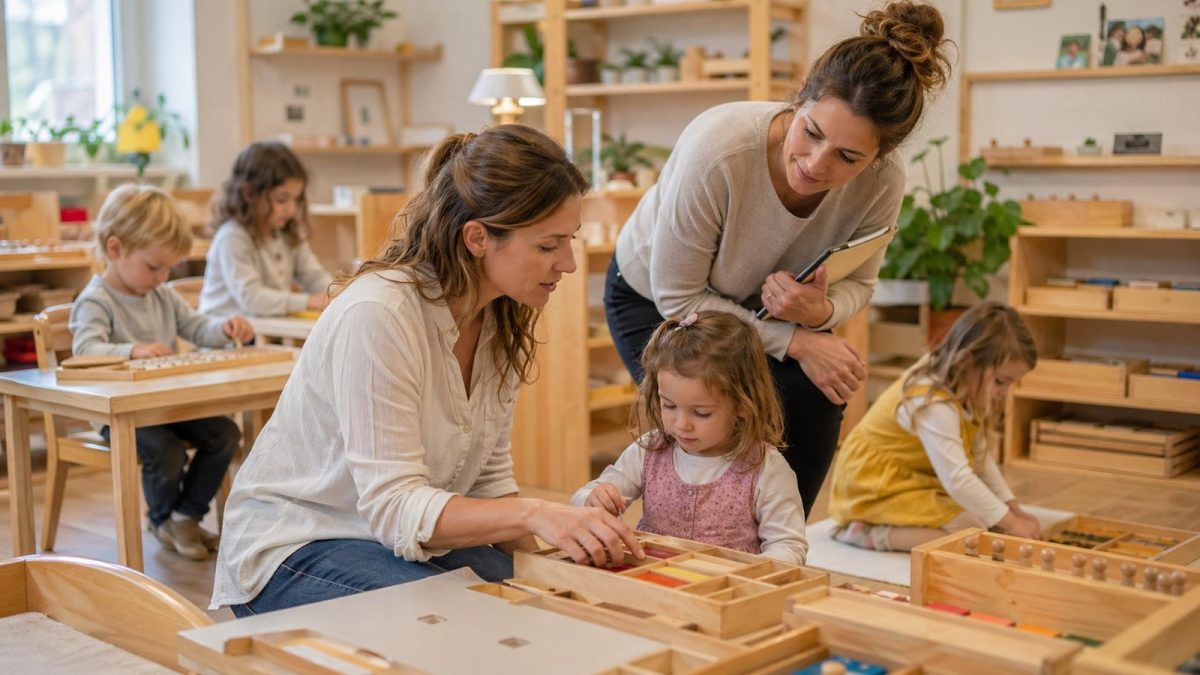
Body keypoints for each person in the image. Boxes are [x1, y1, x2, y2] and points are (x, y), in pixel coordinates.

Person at [211, 125, 645, 616]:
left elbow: (487, 480)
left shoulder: (500, 314)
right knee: (468, 618)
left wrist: (554, 568)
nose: (567, 263)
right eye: (548, 246)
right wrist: (541, 513)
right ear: (478, 238)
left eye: (569, 241)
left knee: (543, 606)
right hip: (296, 545)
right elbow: (395, 507)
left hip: (383, 536)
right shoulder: (380, 313)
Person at [604, 1, 953, 515]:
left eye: (848, 157)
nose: (816, 164)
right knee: (711, 413)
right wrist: (798, 341)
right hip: (658, 300)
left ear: (879, 157)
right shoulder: (718, 148)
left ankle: (783, 549)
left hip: (760, 314)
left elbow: (862, 283)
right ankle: (703, 552)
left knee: (817, 393)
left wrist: (823, 314)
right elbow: (679, 295)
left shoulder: (884, 182)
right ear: (804, 91)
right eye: (811, 132)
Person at [70, 184, 256, 561]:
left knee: (225, 433)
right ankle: (162, 520)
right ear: (115, 249)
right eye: (154, 266)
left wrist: (224, 328)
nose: (162, 276)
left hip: (168, 406)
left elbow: (197, 327)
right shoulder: (95, 300)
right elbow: (84, 351)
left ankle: (183, 515)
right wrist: (133, 351)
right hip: (120, 413)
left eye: (169, 267)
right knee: (165, 450)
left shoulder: (163, 295)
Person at [572, 310, 808, 564]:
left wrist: (754, 572)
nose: (682, 424)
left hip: (726, 594)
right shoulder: (649, 449)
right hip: (655, 582)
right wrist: (594, 499)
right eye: (669, 406)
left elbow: (788, 546)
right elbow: (581, 501)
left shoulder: (765, 467)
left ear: (743, 403)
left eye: (701, 413)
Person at [827, 301, 1042, 552]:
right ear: (965, 362)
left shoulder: (967, 386)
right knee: (970, 533)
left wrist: (1013, 510)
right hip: (872, 484)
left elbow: (981, 459)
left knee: (984, 518)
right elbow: (958, 480)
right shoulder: (932, 400)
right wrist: (1010, 522)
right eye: (1001, 382)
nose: (1003, 393)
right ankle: (866, 533)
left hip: (914, 479)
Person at [199, 141, 332, 318]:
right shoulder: (232, 237)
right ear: (250, 194)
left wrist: (335, 292)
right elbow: (252, 298)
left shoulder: (287, 233)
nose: (291, 209)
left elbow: (314, 276)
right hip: (225, 338)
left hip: (264, 331)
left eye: (296, 199)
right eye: (281, 199)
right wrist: (308, 300)